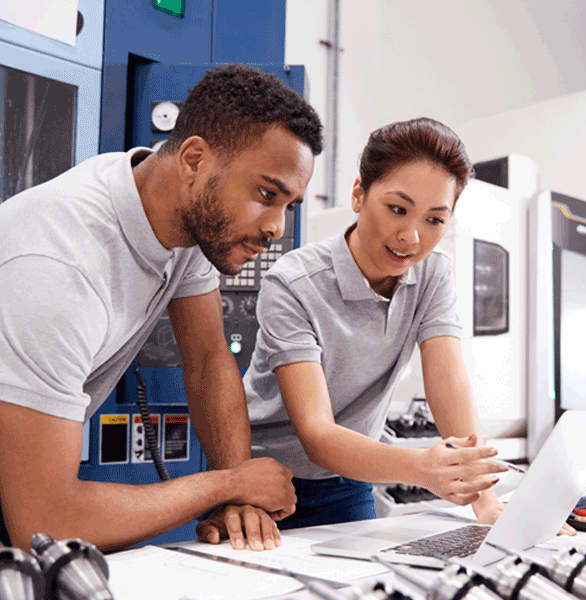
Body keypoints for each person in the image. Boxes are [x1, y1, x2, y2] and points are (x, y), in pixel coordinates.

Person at [0, 63, 323, 552]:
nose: (277, 227)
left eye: (289, 205)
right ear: (193, 159)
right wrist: (229, 486)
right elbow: (45, 523)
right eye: (265, 194)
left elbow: (209, 360)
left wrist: (238, 499)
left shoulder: (182, 219)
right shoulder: (60, 266)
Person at [244, 118, 518, 530]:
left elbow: (446, 382)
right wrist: (420, 467)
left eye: (435, 220)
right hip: (266, 482)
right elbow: (317, 434)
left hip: (351, 478)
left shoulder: (433, 274)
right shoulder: (293, 282)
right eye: (397, 209)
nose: (411, 237)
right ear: (359, 194)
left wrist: (485, 501)